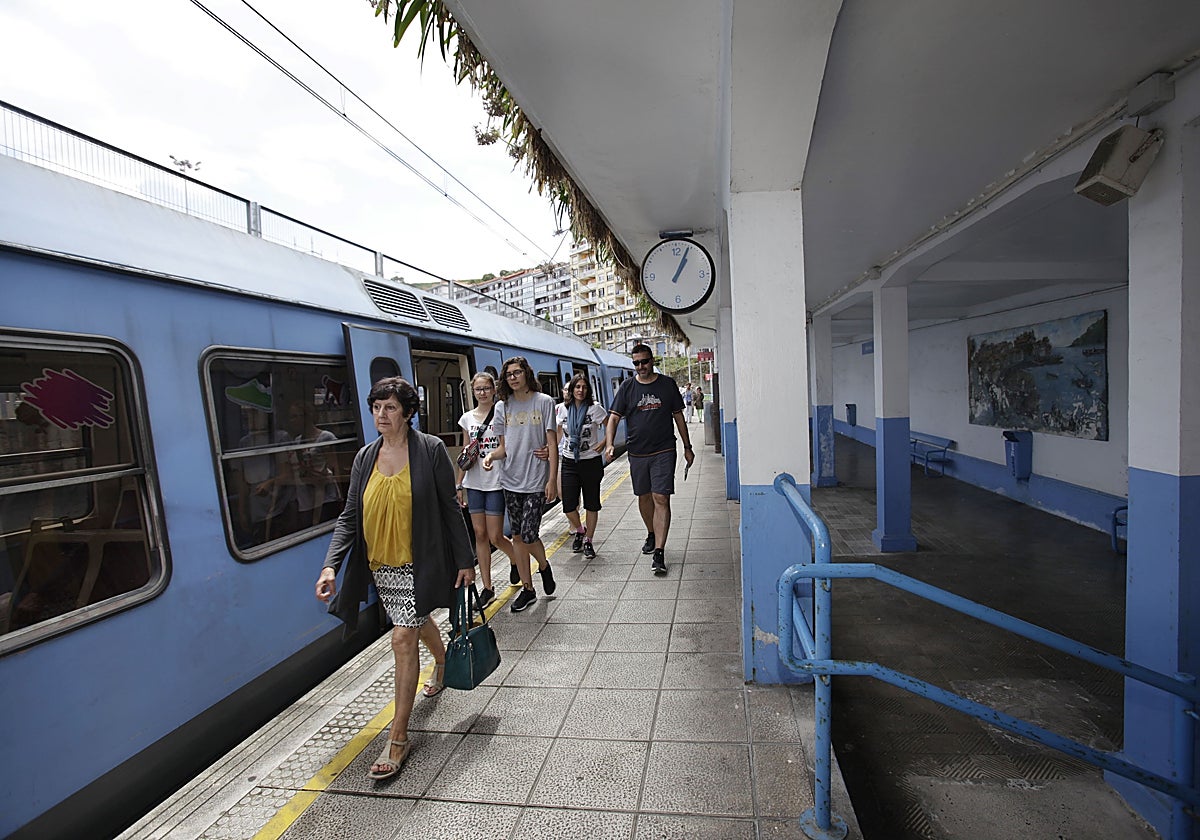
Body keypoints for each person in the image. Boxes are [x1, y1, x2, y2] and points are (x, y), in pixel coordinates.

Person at [315, 377, 474, 781]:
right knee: (415, 621)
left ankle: (399, 737)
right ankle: (440, 659)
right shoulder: (365, 457)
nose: (380, 415)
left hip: (418, 560)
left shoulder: (430, 450)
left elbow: (449, 506)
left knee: (402, 636)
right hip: (381, 566)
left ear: (407, 411)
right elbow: (350, 516)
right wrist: (331, 565)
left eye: (388, 408)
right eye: (375, 407)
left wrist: (466, 560)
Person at [604, 344, 694, 575]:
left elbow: (678, 417)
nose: (641, 367)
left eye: (644, 361)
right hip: (637, 454)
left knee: (661, 497)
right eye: (636, 363)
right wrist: (609, 443)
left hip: (664, 450)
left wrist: (687, 446)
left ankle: (659, 552)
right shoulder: (627, 387)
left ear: (652, 360)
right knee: (644, 498)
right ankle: (652, 533)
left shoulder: (667, 385)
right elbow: (613, 418)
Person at [482, 356, 558, 613]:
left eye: (517, 372)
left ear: (526, 374)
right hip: (510, 480)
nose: (513, 377)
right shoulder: (503, 407)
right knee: (516, 536)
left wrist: (552, 479)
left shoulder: (544, 402)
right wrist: (491, 456)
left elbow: (552, 444)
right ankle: (528, 589)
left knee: (528, 534)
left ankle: (544, 566)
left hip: (536, 479)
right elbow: (504, 447)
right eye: (509, 374)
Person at [455, 371, 516, 609]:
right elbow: (465, 452)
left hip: (497, 482)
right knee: (479, 535)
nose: (482, 393)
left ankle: (513, 558)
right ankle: (488, 587)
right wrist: (459, 483)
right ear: (473, 392)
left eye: (486, 388)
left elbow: (507, 445)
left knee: (495, 536)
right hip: (474, 483)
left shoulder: (501, 413)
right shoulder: (466, 418)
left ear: (494, 389)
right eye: (478, 389)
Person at [556, 372, 608, 559]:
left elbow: (610, 424)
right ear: (571, 390)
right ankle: (580, 529)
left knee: (592, 503)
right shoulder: (561, 409)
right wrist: (550, 449)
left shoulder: (595, 409)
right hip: (569, 461)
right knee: (568, 505)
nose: (580, 390)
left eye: (584, 387)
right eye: (577, 387)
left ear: (588, 390)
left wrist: (604, 444)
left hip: (591, 462)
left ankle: (588, 541)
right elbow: (558, 433)